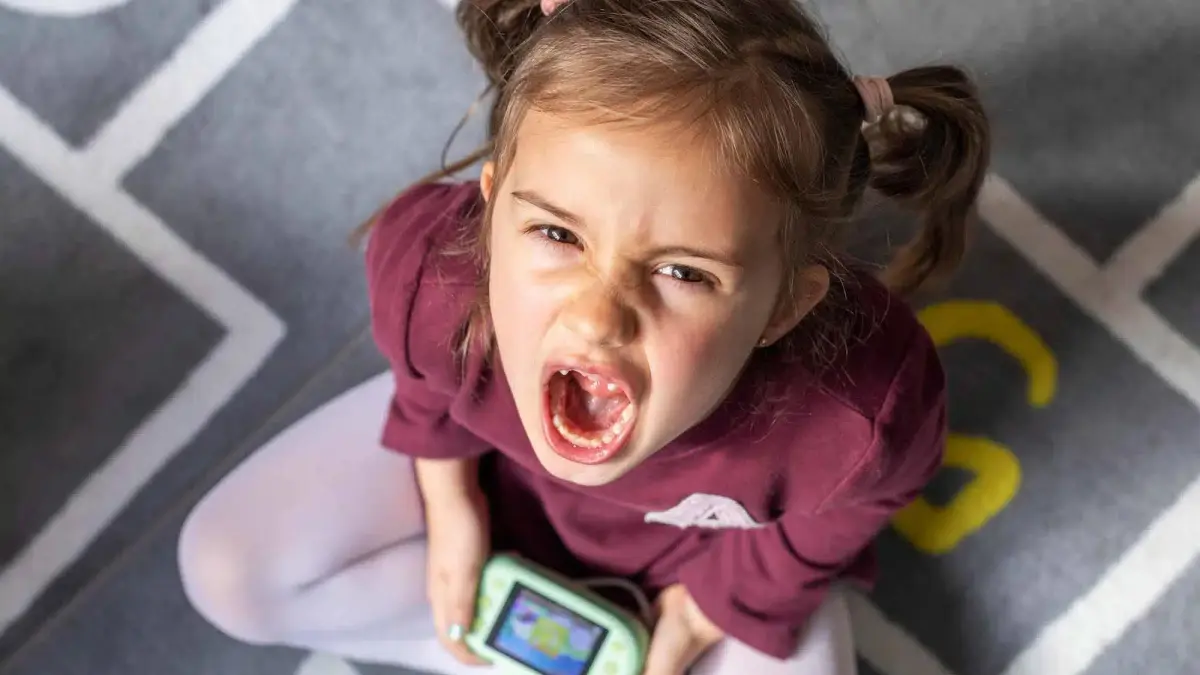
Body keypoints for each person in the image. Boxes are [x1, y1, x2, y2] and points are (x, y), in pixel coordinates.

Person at [176, 0, 990, 673]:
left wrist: (728, 600)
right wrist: (450, 499)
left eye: (682, 271)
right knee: (227, 571)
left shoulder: (856, 412)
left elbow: (866, 495)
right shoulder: (435, 276)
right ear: (491, 209)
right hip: (494, 476)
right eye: (558, 235)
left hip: (703, 562)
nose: (599, 317)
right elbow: (421, 378)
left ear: (782, 307)